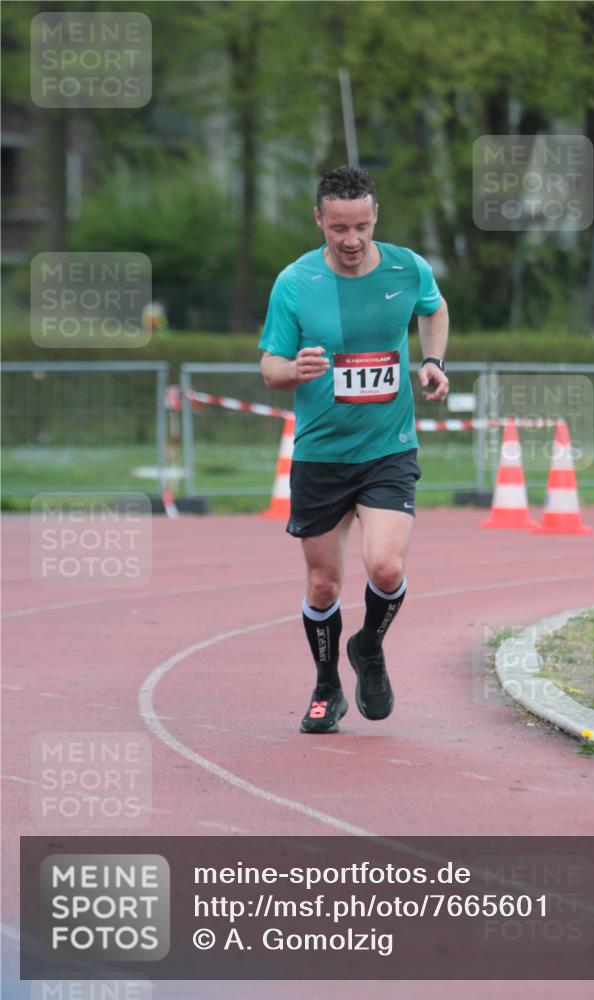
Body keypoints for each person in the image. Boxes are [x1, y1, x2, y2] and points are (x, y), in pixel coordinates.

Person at [259, 165, 449, 734]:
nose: (350, 240)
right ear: (319, 219)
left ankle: (368, 645)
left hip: (388, 448)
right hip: (320, 454)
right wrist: (294, 369)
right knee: (323, 584)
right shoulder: (294, 282)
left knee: (386, 568)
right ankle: (326, 686)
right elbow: (268, 367)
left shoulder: (407, 266)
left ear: (375, 218)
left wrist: (434, 361)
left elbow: (433, 308)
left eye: (361, 226)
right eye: (338, 227)